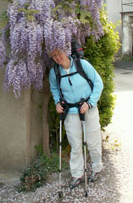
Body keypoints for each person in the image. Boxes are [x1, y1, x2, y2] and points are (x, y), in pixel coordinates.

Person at [49, 48, 103, 189]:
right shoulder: (54, 72)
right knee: (75, 144)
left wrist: (90, 102)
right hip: (70, 112)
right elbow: (54, 89)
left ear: (65, 51)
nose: (57, 57)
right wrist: (57, 103)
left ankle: (97, 169)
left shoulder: (82, 65)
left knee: (93, 141)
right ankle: (77, 174)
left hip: (88, 109)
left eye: (59, 53)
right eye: (53, 55)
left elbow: (98, 83)